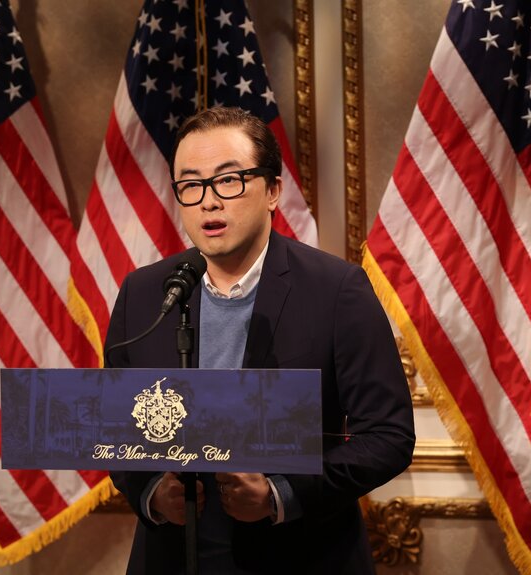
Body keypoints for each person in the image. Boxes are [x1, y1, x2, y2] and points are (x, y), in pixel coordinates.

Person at [106, 106, 415, 574]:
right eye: (190, 185)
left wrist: (280, 495)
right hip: (174, 557)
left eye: (228, 181)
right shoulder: (145, 292)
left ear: (273, 191)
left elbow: (389, 436)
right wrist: (150, 492)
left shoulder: (337, 290)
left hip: (301, 555)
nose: (208, 201)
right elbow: (113, 426)